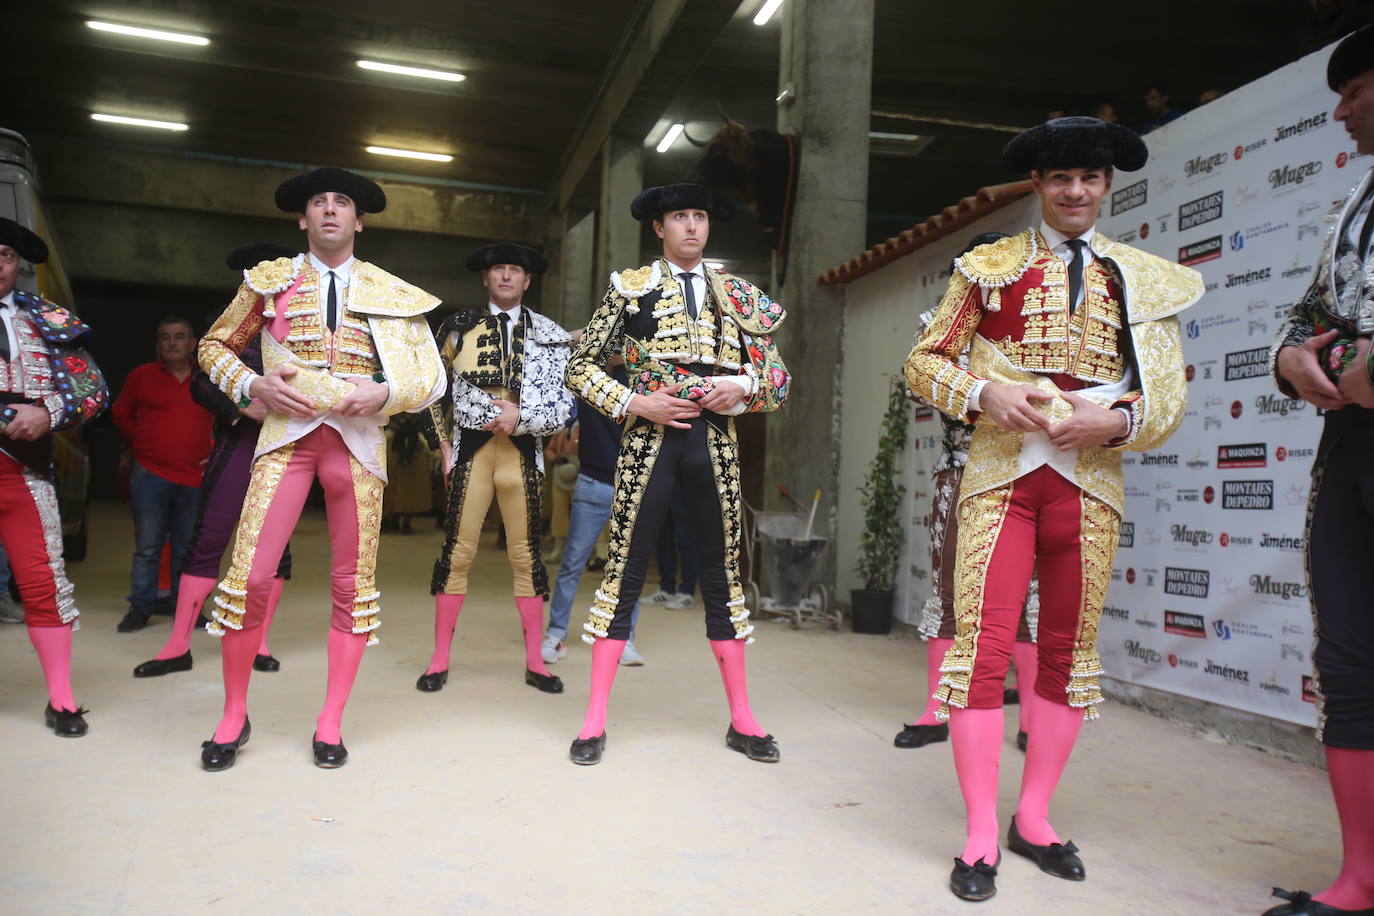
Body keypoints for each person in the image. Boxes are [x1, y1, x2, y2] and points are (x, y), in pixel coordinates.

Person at [905, 117, 1201, 901]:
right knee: (982, 650)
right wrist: (984, 390)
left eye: (1091, 178)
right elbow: (922, 361)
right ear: (1037, 185)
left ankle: (1032, 818)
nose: (1076, 191)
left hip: (1091, 480)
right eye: (1061, 178)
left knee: (1068, 655)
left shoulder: (1140, 277)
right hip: (1002, 477)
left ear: (1107, 185)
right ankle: (977, 833)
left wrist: (1119, 421)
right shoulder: (989, 266)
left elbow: (1168, 396)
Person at [195, 167, 444, 770]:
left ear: (359, 221)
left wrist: (384, 395)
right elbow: (213, 347)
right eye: (318, 203)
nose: (331, 210)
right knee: (249, 579)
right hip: (286, 438)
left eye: (343, 203)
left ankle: (330, 721)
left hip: (357, 447)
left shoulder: (392, 292)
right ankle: (234, 715)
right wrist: (251, 382)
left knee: (351, 589)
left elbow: (430, 378)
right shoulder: (269, 282)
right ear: (302, 220)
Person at [564, 182, 790, 765]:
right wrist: (635, 404)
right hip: (647, 438)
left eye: (700, 215)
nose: (692, 226)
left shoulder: (739, 294)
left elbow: (777, 379)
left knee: (721, 573)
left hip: (714, 440)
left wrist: (737, 385)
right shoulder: (629, 288)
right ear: (659, 228)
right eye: (679, 217)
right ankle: (593, 721)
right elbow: (580, 364)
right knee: (626, 567)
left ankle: (743, 718)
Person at [1265, 26, 1374, 916]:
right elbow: (1305, 312)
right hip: (1351, 450)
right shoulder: (1355, 200)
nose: (1339, 111)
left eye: (1355, 91)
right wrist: (1289, 357)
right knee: (1347, 657)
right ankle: (1359, 881)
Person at [897, 233, 1039, 754]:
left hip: (1029, 471)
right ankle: (937, 707)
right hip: (962, 470)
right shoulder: (943, 321)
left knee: (1026, 597)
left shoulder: (1041, 322)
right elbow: (920, 381)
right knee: (950, 591)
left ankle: (1029, 717)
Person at [131, 243, 296, 679]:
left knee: (277, 551)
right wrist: (242, 404)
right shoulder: (223, 325)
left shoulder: (310, 329)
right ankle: (177, 645)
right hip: (238, 443)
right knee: (207, 541)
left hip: (287, 446)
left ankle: (259, 642)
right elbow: (201, 383)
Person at [418, 243, 573, 695]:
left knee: (525, 556)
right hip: (472, 449)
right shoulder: (457, 327)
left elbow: (565, 403)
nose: (506, 276)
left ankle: (534, 663)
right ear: (486, 278)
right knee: (457, 552)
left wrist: (519, 418)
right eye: (498, 270)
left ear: (528, 281)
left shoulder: (550, 333)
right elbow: (428, 388)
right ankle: (439, 658)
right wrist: (442, 445)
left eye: (515, 271)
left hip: (523, 452)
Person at [0, 216, 108, 736]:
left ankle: (62, 700)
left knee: (44, 582)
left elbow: (93, 390)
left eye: (2, 254)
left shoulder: (46, 318)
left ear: (16, 264)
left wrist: (49, 414)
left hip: (25, 470)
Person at [111, 316, 214, 632]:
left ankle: (187, 609)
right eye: (165, 337)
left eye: (179, 336)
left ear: (192, 344)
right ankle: (140, 609)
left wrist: (217, 448)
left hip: (195, 479)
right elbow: (120, 414)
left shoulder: (208, 378)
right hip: (150, 475)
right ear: (158, 344)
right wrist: (140, 444)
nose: (172, 343)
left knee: (186, 549)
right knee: (148, 547)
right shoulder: (141, 377)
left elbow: (233, 416)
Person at [542, 367, 646, 667]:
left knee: (627, 567)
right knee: (573, 560)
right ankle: (556, 635)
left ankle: (624, 638)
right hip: (592, 481)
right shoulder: (587, 377)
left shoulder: (643, 378)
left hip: (633, 484)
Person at [645, 495, 697, 609]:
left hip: (685, 484)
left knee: (685, 539)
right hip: (662, 482)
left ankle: (687, 592)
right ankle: (666, 589)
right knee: (662, 538)